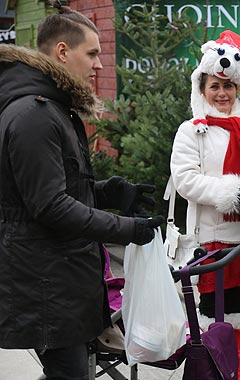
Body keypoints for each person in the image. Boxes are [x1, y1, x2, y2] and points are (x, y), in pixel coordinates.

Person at [0, 3, 163, 379]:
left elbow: (55, 187)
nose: (99, 66)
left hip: (59, 277)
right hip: (44, 281)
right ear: (61, 52)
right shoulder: (35, 114)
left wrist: (111, 193)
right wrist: (128, 229)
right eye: (92, 53)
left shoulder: (52, 108)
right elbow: (50, 206)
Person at [170, 30, 240, 379]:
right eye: (215, 86)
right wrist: (232, 193)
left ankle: (234, 373)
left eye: (228, 87)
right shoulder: (191, 130)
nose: (222, 94)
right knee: (212, 319)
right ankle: (214, 374)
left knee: (237, 312)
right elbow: (186, 180)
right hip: (212, 240)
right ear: (202, 88)